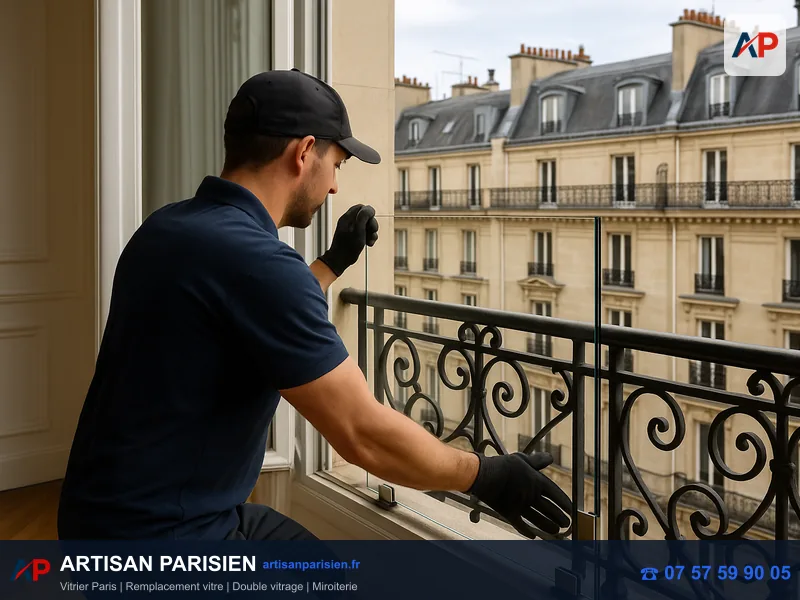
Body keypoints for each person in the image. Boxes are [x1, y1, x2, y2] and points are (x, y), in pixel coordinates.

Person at [57, 68, 571, 542]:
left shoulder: (169, 226)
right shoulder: (258, 263)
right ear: (304, 152)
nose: (335, 185)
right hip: (164, 540)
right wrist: (486, 475)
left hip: (108, 511)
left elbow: (248, 314)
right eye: (337, 164)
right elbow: (362, 435)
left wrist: (331, 263)